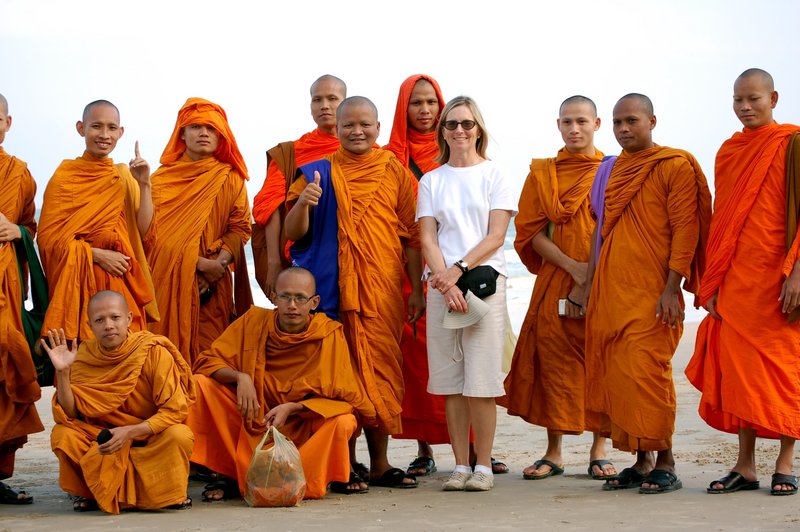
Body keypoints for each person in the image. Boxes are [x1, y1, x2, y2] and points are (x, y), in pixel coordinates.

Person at [284, 96, 424, 489]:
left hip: (380, 290)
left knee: (378, 371)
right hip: (330, 291)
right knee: (335, 376)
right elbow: (294, 234)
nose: (357, 132)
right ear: (338, 128)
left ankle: (379, 463)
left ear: (379, 128)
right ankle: (343, 465)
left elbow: (412, 236)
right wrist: (305, 204)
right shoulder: (316, 173)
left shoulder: (394, 170)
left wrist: (415, 291)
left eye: (365, 124)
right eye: (349, 125)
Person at [584, 93, 711, 494]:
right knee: (619, 374)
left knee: (648, 372)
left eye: (632, 121)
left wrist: (673, 287)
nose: (623, 130)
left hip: (655, 290)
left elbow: (685, 229)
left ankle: (667, 460)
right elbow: (600, 229)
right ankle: (641, 461)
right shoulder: (611, 170)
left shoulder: (673, 164)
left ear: (652, 121)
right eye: (618, 123)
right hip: (612, 286)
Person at [686, 68, 800, 496]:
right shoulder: (729, 151)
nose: (745, 107)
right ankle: (746, 466)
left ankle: (786, 463)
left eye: (753, 98)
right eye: (738, 100)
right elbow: (721, 223)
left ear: (773, 98)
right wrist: (710, 281)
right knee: (739, 375)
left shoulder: (792, 144)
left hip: (780, 281)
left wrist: (797, 274)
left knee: (785, 370)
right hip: (736, 280)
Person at [187, 267, 377, 500]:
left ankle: (309, 476)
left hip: (302, 424)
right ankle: (232, 473)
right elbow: (206, 361)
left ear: (314, 302)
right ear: (274, 297)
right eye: (285, 297)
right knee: (201, 385)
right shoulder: (253, 322)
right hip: (255, 418)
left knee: (344, 420)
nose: (292, 305)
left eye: (300, 298)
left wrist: (293, 408)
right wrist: (239, 377)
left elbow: (347, 399)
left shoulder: (328, 334)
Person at [503, 95, 616, 481]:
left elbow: (619, 229)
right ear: (558, 125)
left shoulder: (613, 170)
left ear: (597, 124)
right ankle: (554, 451)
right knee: (554, 361)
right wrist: (574, 268)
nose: (574, 129)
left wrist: (593, 273)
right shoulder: (543, 173)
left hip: (605, 280)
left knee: (600, 360)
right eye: (567, 122)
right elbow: (530, 233)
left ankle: (599, 449)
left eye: (582, 121)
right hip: (557, 277)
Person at [417, 96, 516, 491]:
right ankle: (459, 465)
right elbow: (426, 235)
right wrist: (444, 280)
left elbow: (496, 235)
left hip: (484, 285)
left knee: (482, 380)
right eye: (452, 124)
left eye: (467, 124)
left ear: (479, 129)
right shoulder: (431, 179)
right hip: (441, 287)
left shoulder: (496, 175)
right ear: (442, 131)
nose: (460, 130)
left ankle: (484, 466)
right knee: (451, 382)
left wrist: (458, 271)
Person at [41, 290, 195, 514]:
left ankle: (163, 493)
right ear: (89, 325)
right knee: (63, 435)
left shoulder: (152, 352)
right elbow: (72, 413)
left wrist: (129, 432)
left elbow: (174, 410)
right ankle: (90, 492)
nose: (108, 325)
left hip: (147, 437)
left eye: (115, 317)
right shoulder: (82, 356)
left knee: (179, 435)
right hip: (102, 441)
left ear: (129, 319)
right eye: (99, 320)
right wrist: (63, 372)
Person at [38, 100, 158, 343]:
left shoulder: (124, 175)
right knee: (85, 359)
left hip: (122, 283)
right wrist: (95, 254)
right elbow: (48, 242)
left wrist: (144, 184)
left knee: (129, 353)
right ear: (81, 128)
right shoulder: (64, 178)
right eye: (96, 126)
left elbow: (143, 232)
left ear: (121, 132)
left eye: (112, 128)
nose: (104, 135)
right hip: (80, 287)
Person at [146, 98, 252, 366]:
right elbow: (149, 237)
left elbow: (240, 227)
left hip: (211, 290)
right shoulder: (159, 181)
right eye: (195, 127)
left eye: (211, 128)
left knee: (210, 360)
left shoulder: (230, 178)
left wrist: (218, 265)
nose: (203, 133)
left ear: (221, 135)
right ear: (182, 133)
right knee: (162, 359)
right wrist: (198, 264)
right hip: (165, 285)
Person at [384, 74, 448, 476]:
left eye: (431, 103)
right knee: (417, 362)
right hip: (407, 269)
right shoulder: (388, 158)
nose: (425, 111)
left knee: (465, 354)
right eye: (416, 103)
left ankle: (476, 446)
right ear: (402, 109)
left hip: (460, 267)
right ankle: (424, 450)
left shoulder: (457, 150)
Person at [251, 75, 346, 301]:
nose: (324, 106)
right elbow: (270, 208)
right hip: (304, 259)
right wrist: (274, 263)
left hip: (356, 258)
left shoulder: (369, 152)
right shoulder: (290, 153)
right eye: (317, 100)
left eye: (332, 98)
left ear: (345, 103)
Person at [0, 93, 44, 505]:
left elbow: (32, 227)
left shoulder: (19, 173)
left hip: (6, 293)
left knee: (6, 376)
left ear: (8, 122)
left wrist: (18, 233)